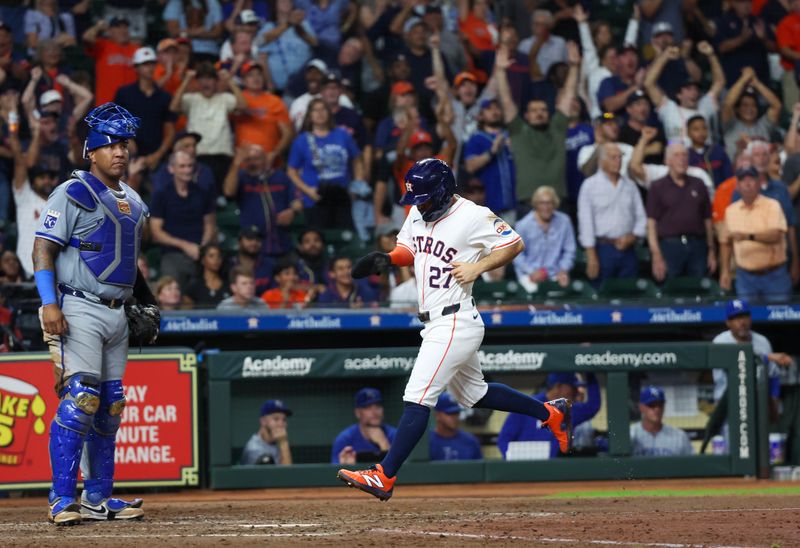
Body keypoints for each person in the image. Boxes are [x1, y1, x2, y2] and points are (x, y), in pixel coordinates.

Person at [337, 159, 572, 501]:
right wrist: (388, 259)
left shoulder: (472, 215)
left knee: (417, 396)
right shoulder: (419, 209)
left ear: (444, 192)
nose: (419, 205)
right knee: (474, 394)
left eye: (426, 199)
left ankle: (384, 475)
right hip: (435, 321)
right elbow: (409, 248)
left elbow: (514, 244)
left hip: (454, 320)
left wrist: (479, 266)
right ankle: (550, 412)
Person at [33, 103, 157, 525]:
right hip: (77, 305)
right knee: (80, 398)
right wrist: (49, 303)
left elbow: (129, 260)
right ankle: (61, 497)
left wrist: (148, 301)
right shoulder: (71, 192)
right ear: (92, 150)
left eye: (124, 144)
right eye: (110, 144)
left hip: (117, 313)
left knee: (110, 405)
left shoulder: (135, 202)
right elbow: (43, 248)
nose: (119, 151)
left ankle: (97, 497)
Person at [495, 41, 579, 215]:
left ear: (549, 114)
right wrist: (501, 72)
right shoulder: (518, 130)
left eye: (543, 110)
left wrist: (575, 67)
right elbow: (506, 101)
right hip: (528, 205)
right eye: (534, 111)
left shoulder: (557, 127)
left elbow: (568, 96)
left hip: (558, 204)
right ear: (526, 116)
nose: (539, 113)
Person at [287, 98, 365, 229]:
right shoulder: (302, 140)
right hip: (315, 197)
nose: (320, 113)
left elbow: (357, 160)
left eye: (323, 109)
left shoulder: (342, 135)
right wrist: (307, 191)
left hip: (342, 195)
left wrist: (357, 184)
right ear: (309, 115)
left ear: (329, 113)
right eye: (315, 110)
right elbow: (291, 171)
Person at [170, 62, 247, 191]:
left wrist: (229, 81)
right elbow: (173, 107)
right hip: (198, 155)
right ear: (198, 82)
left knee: (222, 196)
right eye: (202, 79)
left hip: (222, 155)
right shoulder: (191, 99)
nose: (206, 82)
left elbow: (243, 106)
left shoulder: (224, 98)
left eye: (210, 78)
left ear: (216, 81)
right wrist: (187, 81)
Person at [578, 143, 647, 287]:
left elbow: (641, 217)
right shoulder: (589, 186)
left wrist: (632, 237)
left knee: (629, 294)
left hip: (628, 248)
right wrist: (591, 255)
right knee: (601, 294)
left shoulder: (630, 186)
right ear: (602, 160)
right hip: (603, 249)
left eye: (620, 157)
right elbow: (586, 222)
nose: (618, 161)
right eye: (613, 157)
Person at [646, 142, 716, 281]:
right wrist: (656, 255)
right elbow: (651, 224)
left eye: (685, 155)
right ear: (668, 161)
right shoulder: (657, 186)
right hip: (670, 247)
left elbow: (707, 220)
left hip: (698, 246)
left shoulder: (699, 184)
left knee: (699, 290)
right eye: (677, 155)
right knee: (671, 291)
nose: (682, 158)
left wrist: (711, 251)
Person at [720, 166, 791, 302]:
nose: (747, 183)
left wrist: (748, 236)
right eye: (743, 180)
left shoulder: (772, 205)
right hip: (745, 277)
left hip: (775, 275)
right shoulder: (731, 211)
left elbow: (775, 235)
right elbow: (725, 242)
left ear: (758, 183)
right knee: (746, 318)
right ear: (737, 186)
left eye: (751, 179)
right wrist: (725, 271)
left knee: (779, 318)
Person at [149, 150, 218, 290]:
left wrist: (203, 246)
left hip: (200, 254)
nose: (187, 170)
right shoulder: (161, 194)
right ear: (171, 168)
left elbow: (210, 223)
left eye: (190, 166)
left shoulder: (202, 192)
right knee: (171, 286)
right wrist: (185, 246)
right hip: (172, 254)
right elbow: (156, 232)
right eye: (182, 166)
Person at [498, 373, 600, 460]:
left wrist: (590, 373)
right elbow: (504, 439)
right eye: (573, 387)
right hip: (522, 467)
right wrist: (514, 462)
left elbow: (593, 406)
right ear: (558, 387)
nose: (576, 392)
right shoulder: (526, 404)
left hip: (552, 472)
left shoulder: (570, 410)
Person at [223, 144, 300, 258]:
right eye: (248, 160)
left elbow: (298, 201)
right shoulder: (241, 177)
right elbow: (228, 191)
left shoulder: (281, 177)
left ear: (265, 159)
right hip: (252, 243)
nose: (252, 163)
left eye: (256, 159)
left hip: (280, 241)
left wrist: (293, 212)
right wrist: (236, 164)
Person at [643, 42, 725, 144]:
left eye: (696, 89)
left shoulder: (704, 105)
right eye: (689, 89)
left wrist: (711, 55)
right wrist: (664, 57)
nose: (694, 92)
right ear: (679, 95)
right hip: (678, 157)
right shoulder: (669, 109)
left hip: (704, 157)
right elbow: (649, 83)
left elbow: (719, 82)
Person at [113, 47, 177, 173]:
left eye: (152, 63)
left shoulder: (164, 96)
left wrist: (158, 155)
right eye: (145, 64)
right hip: (128, 154)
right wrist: (127, 139)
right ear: (136, 68)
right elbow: (115, 122)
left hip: (157, 157)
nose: (150, 68)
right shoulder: (124, 93)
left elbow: (170, 130)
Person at [513, 186, 576, 292]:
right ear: (535, 204)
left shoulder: (564, 222)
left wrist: (563, 269)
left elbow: (570, 251)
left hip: (555, 273)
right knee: (532, 291)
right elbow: (516, 255)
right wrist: (532, 272)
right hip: (529, 275)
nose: (546, 207)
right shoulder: (523, 225)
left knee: (564, 291)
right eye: (542, 203)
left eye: (549, 203)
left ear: (555, 204)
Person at [463, 99, 516, 219]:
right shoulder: (476, 138)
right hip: (488, 205)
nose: (494, 111)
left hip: (515, 204)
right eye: (489, 109)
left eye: (497, 108)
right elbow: (470, 166)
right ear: (480, 116)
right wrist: (491, 152)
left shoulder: (511, 136)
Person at [331, 387, 397, 465]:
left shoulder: (395, 435)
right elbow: (334, 473)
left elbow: (404, 470)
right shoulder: (345, 439)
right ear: (358, 413)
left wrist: (384, 444)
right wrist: (347, 467)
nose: (374, 412)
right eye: (368, 407)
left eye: (378, 406)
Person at [82, 17, 138, 106]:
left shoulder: (136, 49)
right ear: (109, 31)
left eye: (125, 27)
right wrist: (98, 27)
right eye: (118, 27)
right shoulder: (103, 45)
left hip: (131, 106)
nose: (123, 30)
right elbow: (87, 37)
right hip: (106, 106)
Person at [630, 386, 693, 457]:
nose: (657, 409)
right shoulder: (631, 434)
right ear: (641, 407)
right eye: (652, 405)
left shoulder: (679, 436)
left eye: (660, 405)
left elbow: (692, 465)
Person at [429, 392, 482, 461]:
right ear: (437, 415)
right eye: (450, 413)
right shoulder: (427, 442)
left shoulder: (470, 441)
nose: (454, 417)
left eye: (456, 413)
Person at [240, 399, 293, 465]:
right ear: (263, 421)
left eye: (284, 420)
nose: (281, 424)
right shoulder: (254, 449)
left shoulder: (276, 442)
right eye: (276, 419)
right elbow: (285, 474)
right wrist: (283, 442)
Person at [184, 243, 231, 308]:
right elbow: (186, 313)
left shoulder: (229, 285)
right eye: (211, 256)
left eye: (219, 256)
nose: (216, 259)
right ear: (203, 260)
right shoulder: (193, 286)